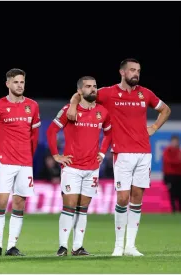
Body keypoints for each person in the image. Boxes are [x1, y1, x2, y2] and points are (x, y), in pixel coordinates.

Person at [66, 58, 171, 256]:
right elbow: (83, 95)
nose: (136, 73)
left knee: (137, 197)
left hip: (144, 153)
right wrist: (73, 105)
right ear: (122, 72)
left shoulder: (145, 93)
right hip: (122, 153)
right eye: (132, 70)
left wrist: (155, 127)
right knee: (122, 198)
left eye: (138, 70)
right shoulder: (107, 93)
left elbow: (165, 109)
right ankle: (118, 246)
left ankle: (131, 246)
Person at [46, 76, 112, 256]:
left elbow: (108, 133)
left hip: (92, 168)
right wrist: (56, 155)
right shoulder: (69, 110)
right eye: (88, 86)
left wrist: (102, 152)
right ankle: (62, 246)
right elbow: (51, 131)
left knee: (83, 208)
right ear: (80, 90)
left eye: (95, 86)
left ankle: (77, 247)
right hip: (72, 167)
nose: (92, 89)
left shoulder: (102, 112)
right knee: (69, 206)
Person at [0, 68, 40, 256]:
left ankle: (11, 247)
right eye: (16, 82)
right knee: (0, 202)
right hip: (4, 163)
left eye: (22, 82)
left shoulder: (32, 106)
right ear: (8, 83)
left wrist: (29, 158)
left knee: (19, 203)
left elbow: (34, 135)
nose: (19, 85)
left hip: (25, 163)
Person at [162, 135, 181, 213]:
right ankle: (173, 210)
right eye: (174, 141)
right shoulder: (167, 151)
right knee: (171, 194)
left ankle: (179, 210)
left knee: (179, 194)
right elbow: (169, 161)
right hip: (170, 176)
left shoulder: (179, 151)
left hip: (179, 175)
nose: (175, 143)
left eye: (177, 142)